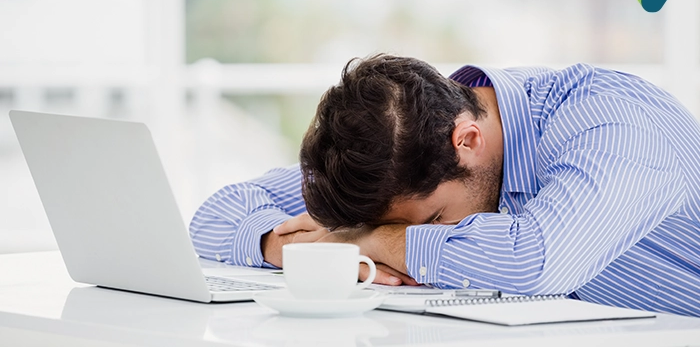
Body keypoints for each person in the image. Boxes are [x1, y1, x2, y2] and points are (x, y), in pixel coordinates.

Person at [189, 54, 700, 317]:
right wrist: (284, 246)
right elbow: (216, 215)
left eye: (433, 221)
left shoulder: (615, 127)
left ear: (468, 140)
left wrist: (368, 241)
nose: (413, 236)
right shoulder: (406, 145)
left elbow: (536, 260)